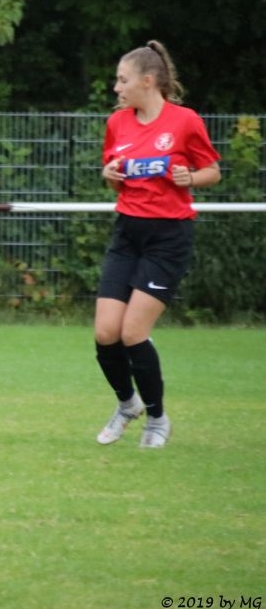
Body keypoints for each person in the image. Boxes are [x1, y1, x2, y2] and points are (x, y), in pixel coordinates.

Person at [93, 40, 221, 449]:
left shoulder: (184, 122)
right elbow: (116, 180)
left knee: (133, 332)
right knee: (105, 332)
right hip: (128, 233)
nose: (117, 87)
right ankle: (127, 404)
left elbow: (212, 171)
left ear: (147, 81)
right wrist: (110, 176)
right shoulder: (118, 124)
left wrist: (191, 178)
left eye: (122, 80)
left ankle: (157, 419)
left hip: (168, 237)